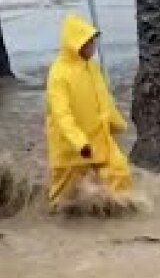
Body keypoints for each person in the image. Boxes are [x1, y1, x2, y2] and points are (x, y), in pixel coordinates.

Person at [45, 13, 134, 208]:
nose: (92, 47)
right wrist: (79, 142)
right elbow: (62, 115)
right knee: (64, 197)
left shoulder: (92, 67)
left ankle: (120, 215)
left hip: (99, 137)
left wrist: (117, 123)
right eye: (88, 43)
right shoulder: (58, 74)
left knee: (120, 172)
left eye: (93, 42)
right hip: (70, 148)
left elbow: (104, 100)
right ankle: (57, 226)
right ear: (75, 44)